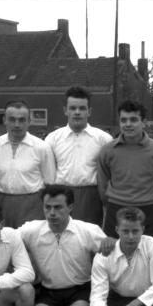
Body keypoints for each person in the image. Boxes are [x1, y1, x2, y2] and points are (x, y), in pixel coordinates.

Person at [15, 184, 115, 306]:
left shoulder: (87, 230)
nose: (52, 213)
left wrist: (113, 242)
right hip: (49, 292)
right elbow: (3, 237)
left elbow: (113, 250)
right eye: (48, 207)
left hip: (80, 290)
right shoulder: (32, 230)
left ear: (70, 207)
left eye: (58, 207)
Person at [98, 100, 153, 241]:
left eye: (133, 120)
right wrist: (112, 204)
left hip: (148, 210)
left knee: (146, 256)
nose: (128, 124)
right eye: (123, 120)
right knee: (114, 256)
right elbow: (102, 185)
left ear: (143, 122)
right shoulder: (107, 151)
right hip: (116, 209)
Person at [44, 86, 112, 226]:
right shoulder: (52, 139)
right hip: (61, 194)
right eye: (73, 108)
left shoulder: (103, 139)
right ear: (65, 110)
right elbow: (48, 172)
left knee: (89, 238)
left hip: (90, 196)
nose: (77, 112)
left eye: (82, 108)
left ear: (89, 111)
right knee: (61, 237)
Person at [0, 100, 55, 229]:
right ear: (4, 120)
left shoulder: (42, 147)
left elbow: (50, 182)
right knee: (4, 244)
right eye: (12, 119)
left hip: (32, 204)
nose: (17, 124)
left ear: (29, 121)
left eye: (22, 120)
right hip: (3, 203)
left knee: (28, 245)